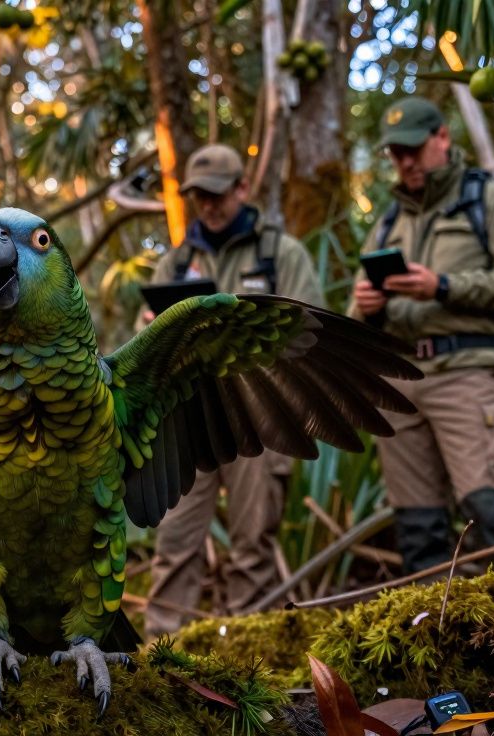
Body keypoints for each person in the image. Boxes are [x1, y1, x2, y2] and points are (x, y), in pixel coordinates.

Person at [348, 96, 494, 575]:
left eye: (414, 148)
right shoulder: (387, 224)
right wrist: (366, 307)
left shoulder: (488, 199)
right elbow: (354, 319)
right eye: (396, 153)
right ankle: (437, 640)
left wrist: (442, 286)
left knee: (491, 510)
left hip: (470, 373)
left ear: (442, 137)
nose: (406, 161)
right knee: (418, 528)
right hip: (400, 384)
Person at [141, 143, 324, 638]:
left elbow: (313, 336)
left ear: (242, 189)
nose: (209, 205)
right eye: (199, 195)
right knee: (174, 546)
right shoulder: (175, 265)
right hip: (189, 424)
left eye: (218, 194)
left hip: (257, 419)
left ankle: (249, 660)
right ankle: (160, 658)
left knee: (251, 547)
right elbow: (148, 358)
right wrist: (152, 333)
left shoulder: (281, 255)